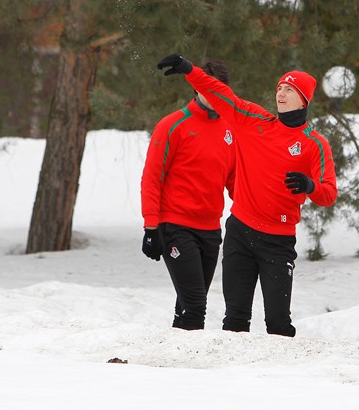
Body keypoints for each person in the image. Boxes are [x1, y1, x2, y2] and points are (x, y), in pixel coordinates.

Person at [157, 53, 337, 337]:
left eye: (289, 89)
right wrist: (188, 69)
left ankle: (279, 378)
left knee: (278, 323)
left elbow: (328, 194)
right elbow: (221, 94)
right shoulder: (254, 121)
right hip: (240, 233)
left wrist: (309, 186)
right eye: (279, 87)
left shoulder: (315, 144)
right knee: (235, 320)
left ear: (304, 99)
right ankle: (233, 380)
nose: (281, 93)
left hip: (277, 241)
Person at [140, 60, 236, 331]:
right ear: (196, 88)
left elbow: (234, 181)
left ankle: (176, 361)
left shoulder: (230, 130)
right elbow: (151, 179)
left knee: (189, 304)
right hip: (176, 227)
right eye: (208, 88)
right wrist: (151, 226)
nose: (214, 95)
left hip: (210, 230)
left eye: (220, 90)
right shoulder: (173, 126)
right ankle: (189, 370)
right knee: (196, 305)